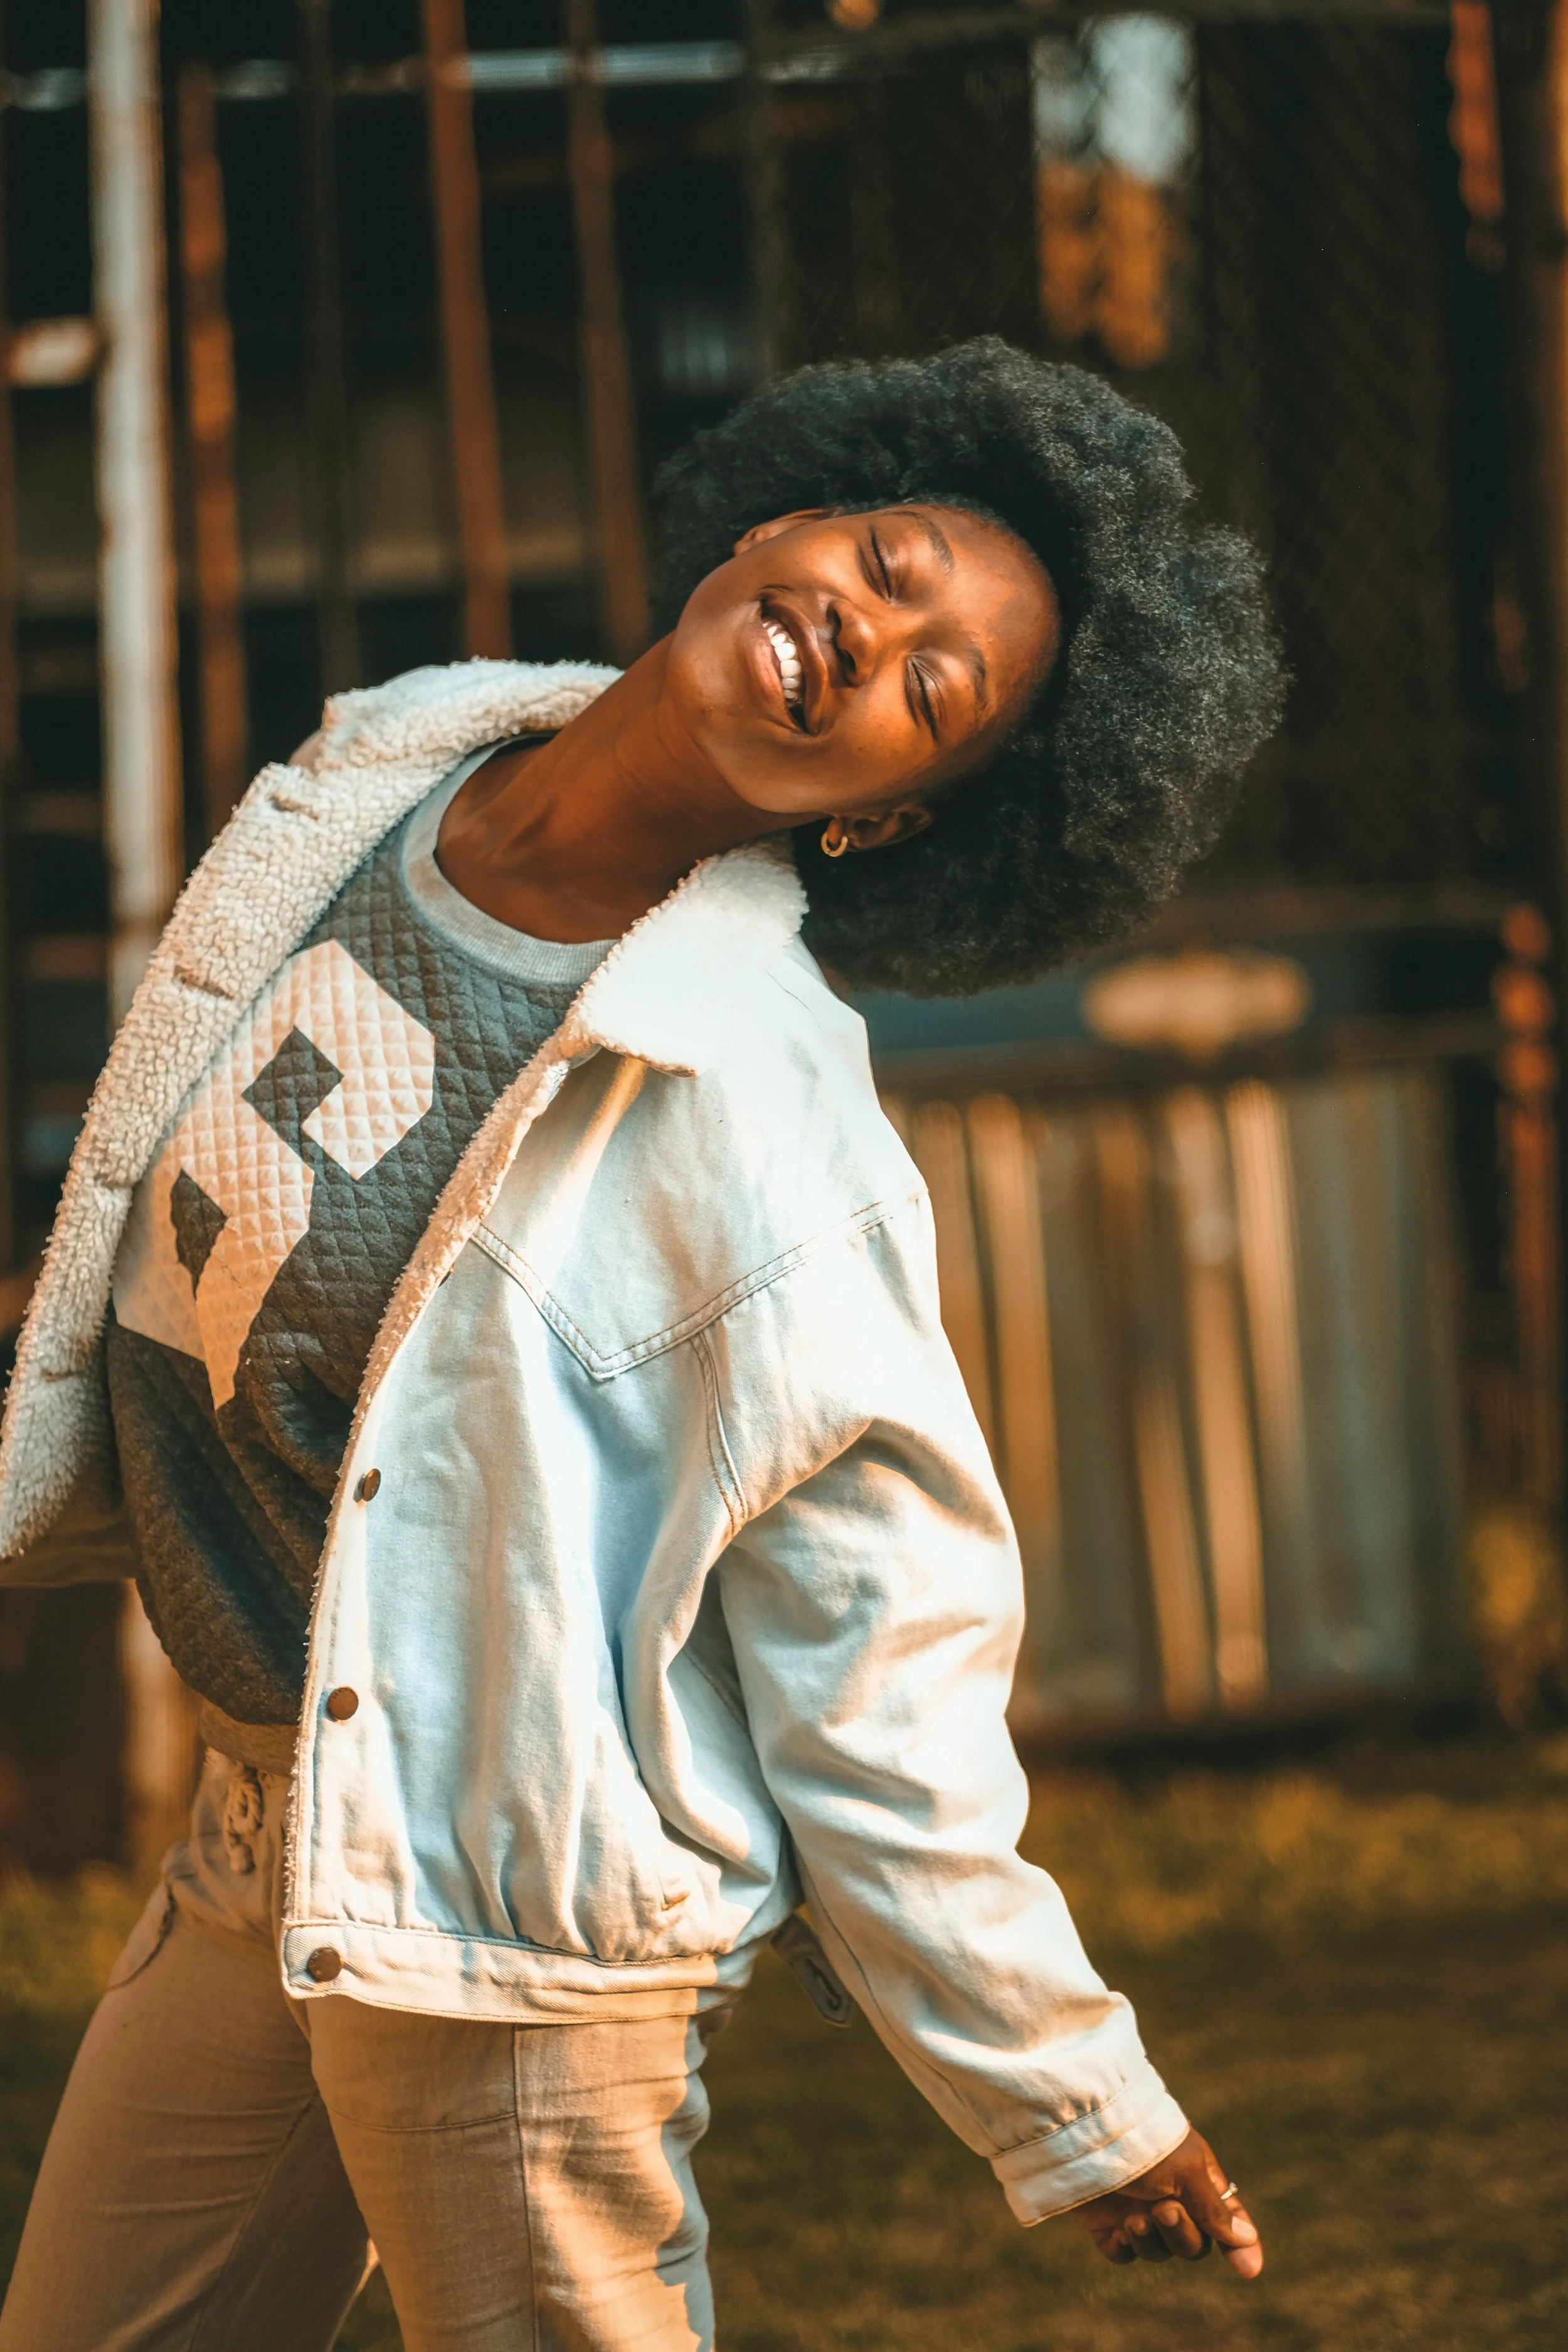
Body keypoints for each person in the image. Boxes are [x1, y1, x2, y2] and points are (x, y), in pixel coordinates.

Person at [0, 338, 1283, 2351]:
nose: (865, 633)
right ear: (774, 522)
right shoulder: (384, 775)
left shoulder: (762, 1126)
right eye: (881, 556)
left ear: (892, 819)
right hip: (274, 1839)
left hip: (514, 1946)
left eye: (930, 691)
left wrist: (1071, 2093)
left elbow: (879, 1655)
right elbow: (203, 1213)